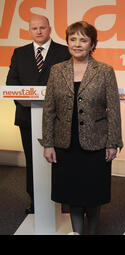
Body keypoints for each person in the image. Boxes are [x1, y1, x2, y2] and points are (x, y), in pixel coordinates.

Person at [40, 21, 123, 235]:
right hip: (66, 144)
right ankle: (77, 233)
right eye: (73, 39)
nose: (77, 44)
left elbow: (113, 110)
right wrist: (48, 144)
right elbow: (49, 110)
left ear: (92, 44)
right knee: (73, 196)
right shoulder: (57, 70)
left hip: (96, 143)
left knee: (94, 196)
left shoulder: (104, 71)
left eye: (83, 40)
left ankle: (92, 232)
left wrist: (113, 143)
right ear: (67, 41)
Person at [6, 15, 71, 214]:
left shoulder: (64, 51)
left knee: (61, 160)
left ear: (50, 28)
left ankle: (63, 201)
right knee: (32, 161)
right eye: (34, 28)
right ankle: (35, 201)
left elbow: (70, 83)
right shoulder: (19, 53)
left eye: (42, 27)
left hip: (58, 119)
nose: (39, 31)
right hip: (27, 117)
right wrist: (27, 101)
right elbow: (11, 83)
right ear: (29, 30)